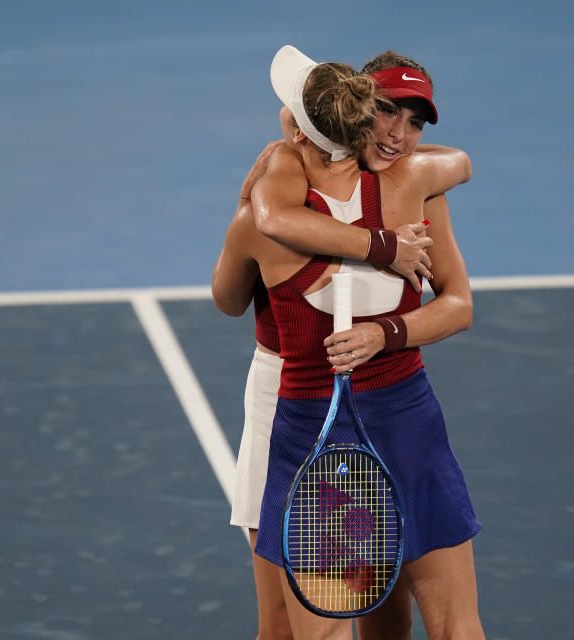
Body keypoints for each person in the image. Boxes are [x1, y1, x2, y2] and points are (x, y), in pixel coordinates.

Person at [213, 46, 484, 640]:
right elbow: (459, 162)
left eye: (415, 122)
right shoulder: (401, 180)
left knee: (363, 613)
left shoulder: (280, 189)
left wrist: (382, 332)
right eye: (388, 112)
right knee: (300, 619)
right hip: (343, 398)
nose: (399, 134)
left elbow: (233, 287)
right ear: (357, 110)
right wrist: (387, 248)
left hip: (315, 402)